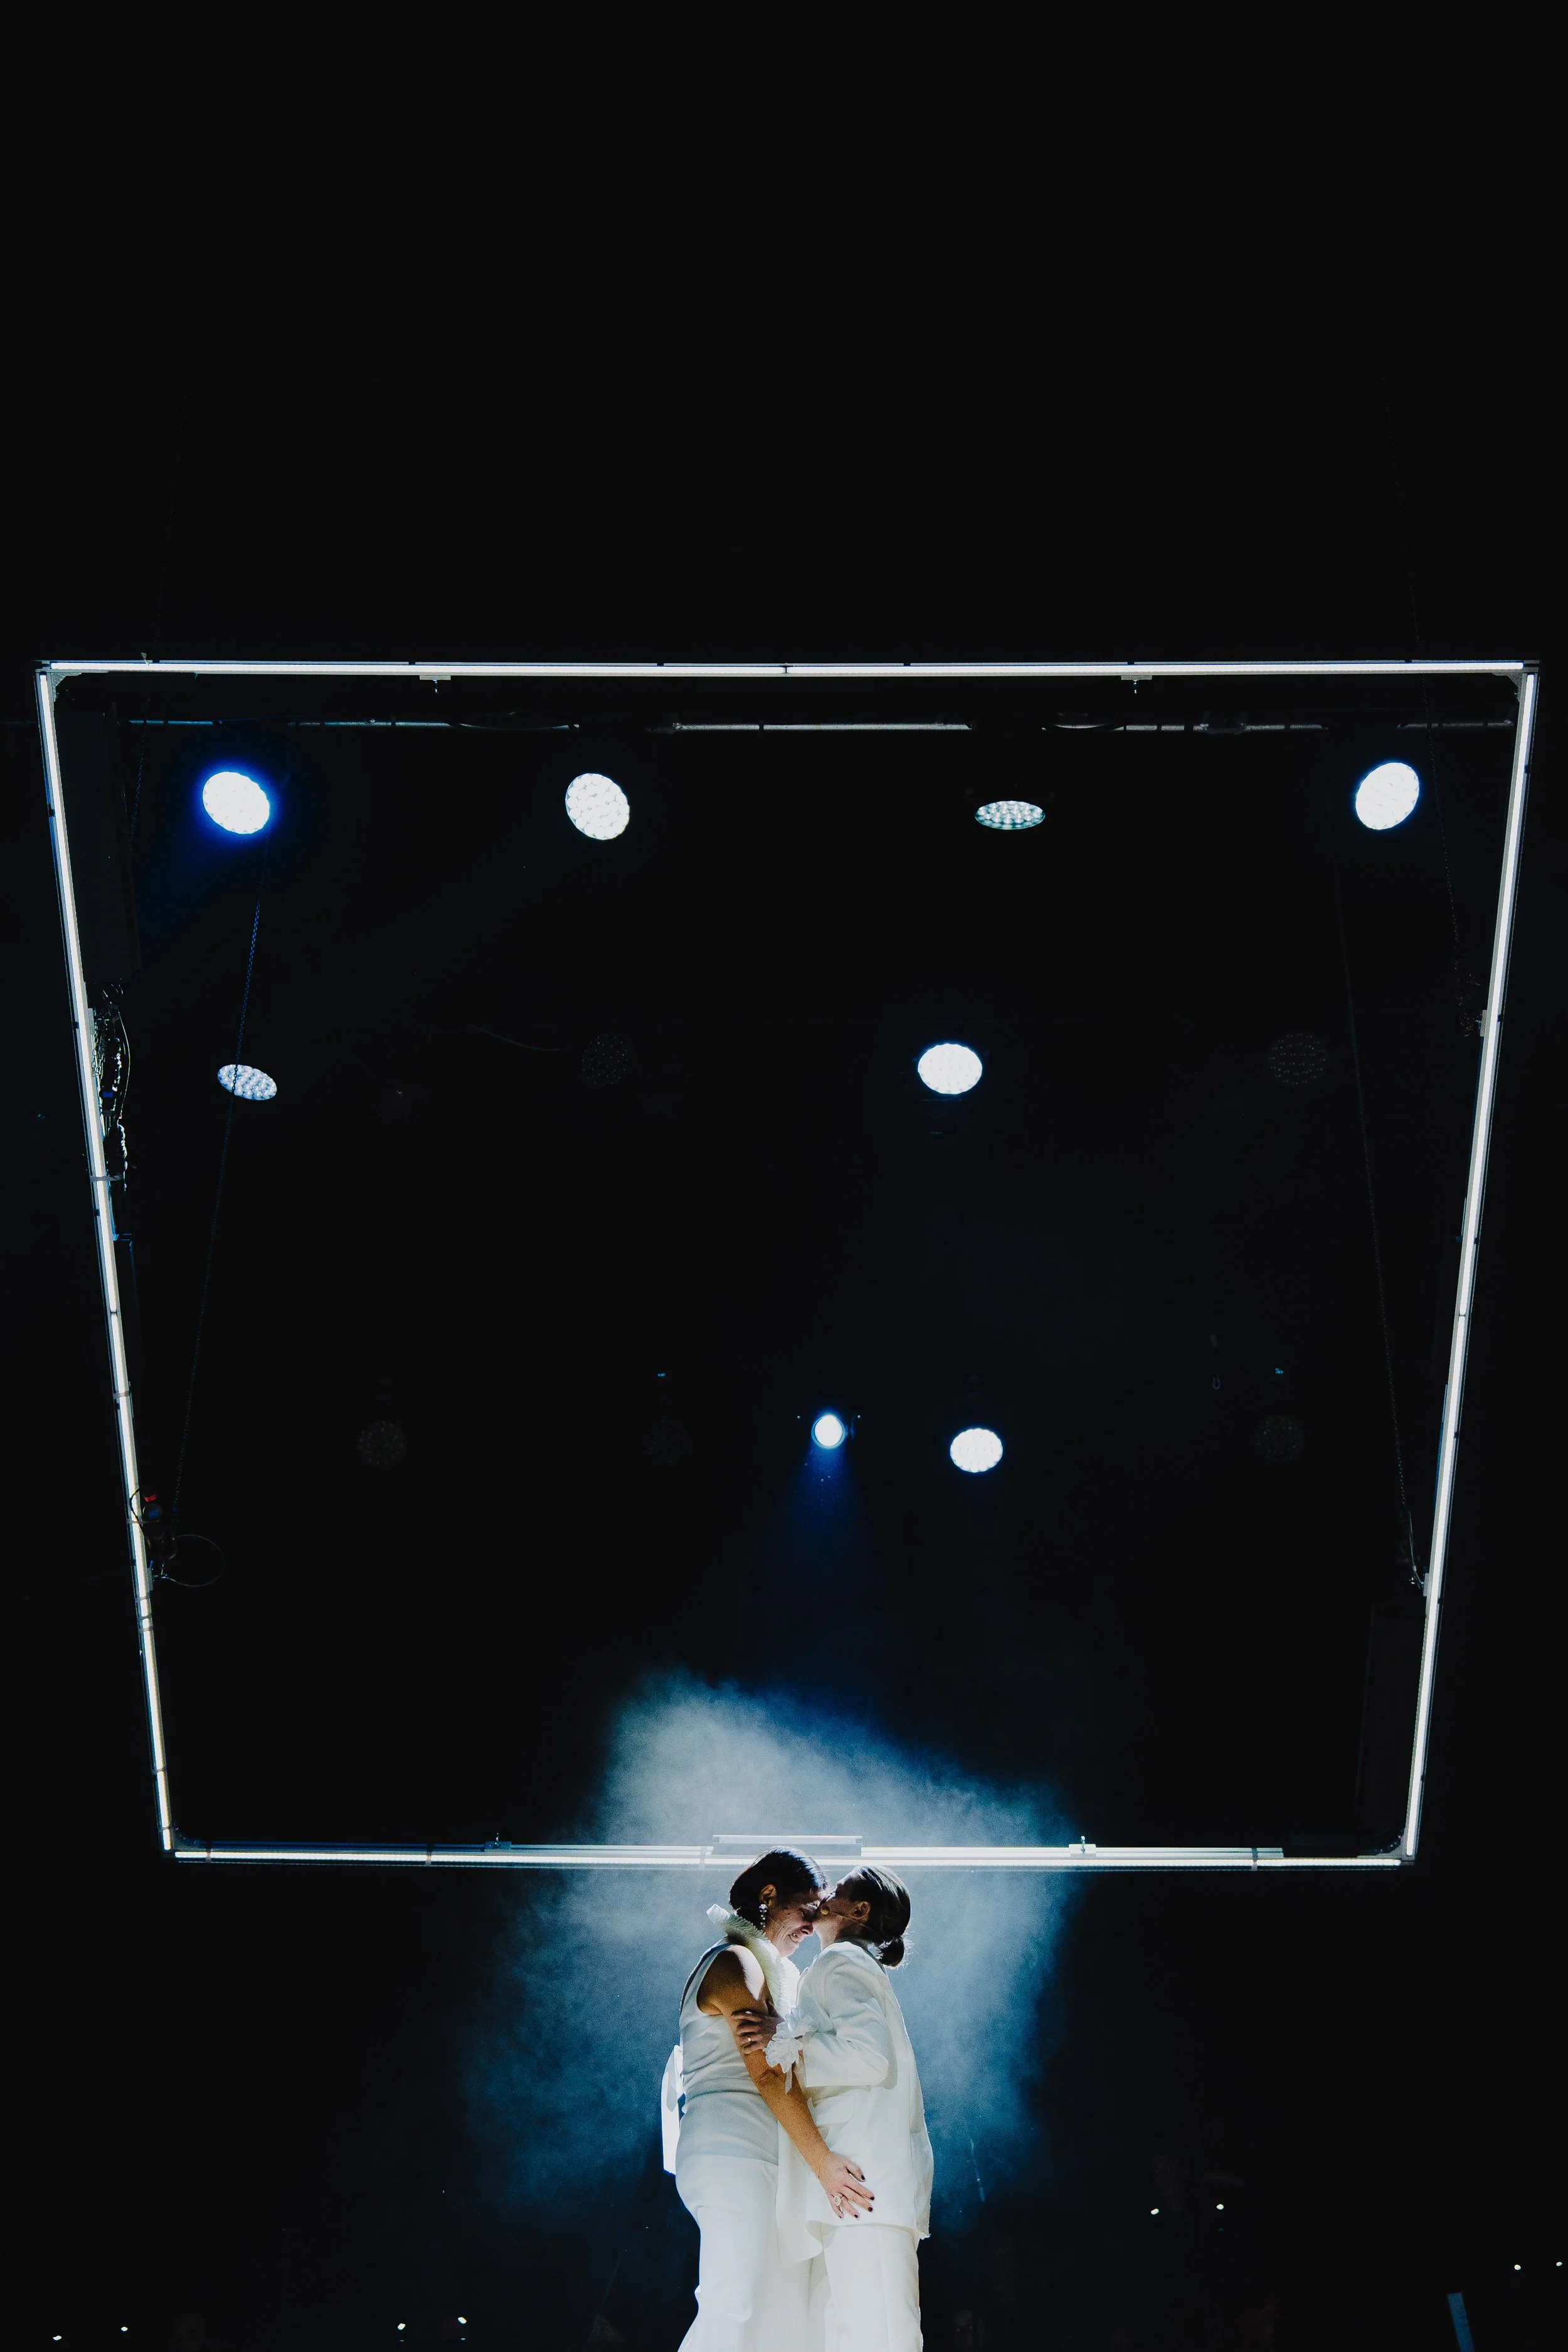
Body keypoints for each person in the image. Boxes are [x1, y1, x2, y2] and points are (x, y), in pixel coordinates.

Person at [668, 1848, 875, 2351]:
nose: (812, 1925)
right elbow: (767, 2075)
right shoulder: (735, 1961)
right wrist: (823, 2162)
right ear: (768, 1896)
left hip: (767, 2157)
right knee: (735, 2304)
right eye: (807, 1909)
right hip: (731, 2151)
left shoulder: (774, 1973)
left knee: (772, 2316)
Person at [739, 1866, 931, 2352]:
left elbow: (869, 2056)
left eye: (838, 1890)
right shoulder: (843, 1964)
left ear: (860, 1911)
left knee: (879, 2334)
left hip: (865, 2182)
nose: (825, 1895)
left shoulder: (843, 1960)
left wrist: (785, 2041)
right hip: (853, 2184)